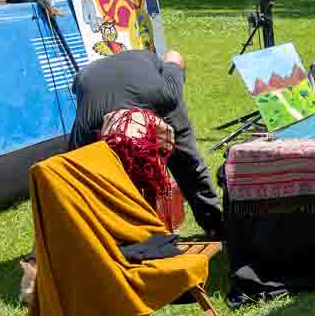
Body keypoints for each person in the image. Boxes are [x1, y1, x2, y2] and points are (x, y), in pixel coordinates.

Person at [68, 48, 223, 236]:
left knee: (188, 164)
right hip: (88, 77)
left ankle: (215, 225)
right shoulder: (86, 127)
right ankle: (124, 231)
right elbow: (72, 186)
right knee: (91, 180)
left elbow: (174, 56)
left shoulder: (166, 94)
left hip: (146, 84)